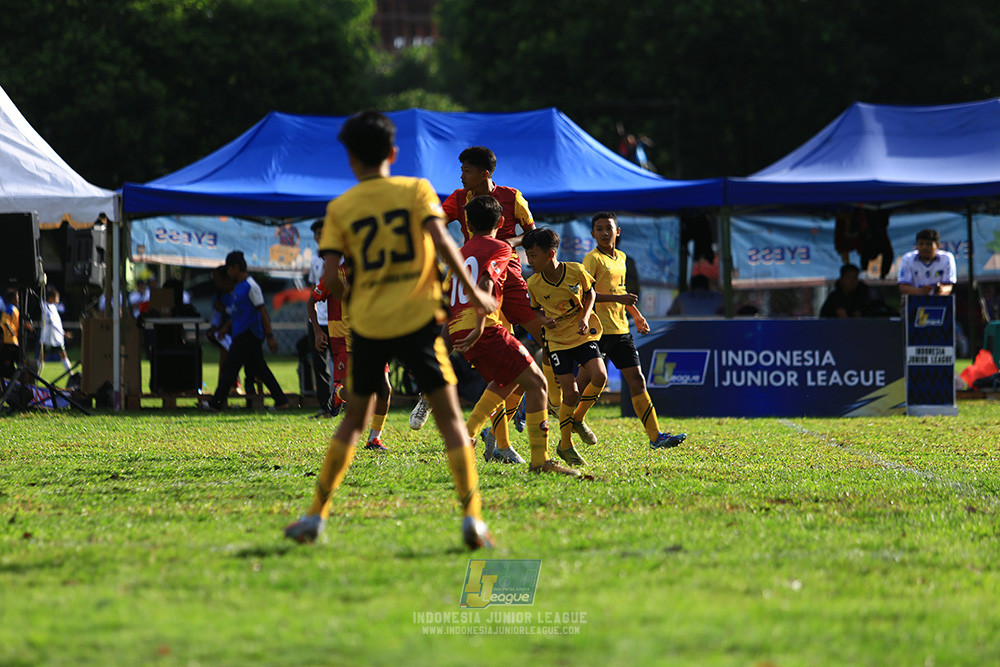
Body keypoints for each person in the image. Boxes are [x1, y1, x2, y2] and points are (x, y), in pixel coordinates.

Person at [283, 110, 498, 550]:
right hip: (419, 318)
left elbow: (330, 278)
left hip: (369, 324)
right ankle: (472, 520)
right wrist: (476, 293)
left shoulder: (341, 208)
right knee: (449, 417)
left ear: (350, 159)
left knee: (353, 420)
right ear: (393, 153)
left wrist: (358, 294)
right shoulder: (416, 190)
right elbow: (443, 243)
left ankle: (316, 517)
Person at [410, 145, 566, 440]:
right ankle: (430, 394)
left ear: (484, 173)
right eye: (461, 170)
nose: (461, 176)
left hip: (510, 276)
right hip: (475, 279)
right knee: (460, 340)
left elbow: (532, 234)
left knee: (546, 340)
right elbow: (434, 225)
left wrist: (507, 243)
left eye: (466, 171)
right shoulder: (458, 198)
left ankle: (550, 403)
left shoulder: (512, 196)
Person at [447, 195, 578, 475]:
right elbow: (486, 282)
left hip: (459, 329)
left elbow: (449, 296)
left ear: (468, 225)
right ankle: (540, 461)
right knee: (537, 383)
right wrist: (480, 327)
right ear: (502, 222)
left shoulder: (460, 253)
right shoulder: (500, 248)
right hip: (484, 329)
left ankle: (468, 435)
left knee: (505, 380)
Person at [579, 212, 687, 450]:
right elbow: (586, 295)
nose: (604, 233)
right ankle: (570, 418)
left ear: (617, 232)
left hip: (620, 330)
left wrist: (636, 315)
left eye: (608, 228)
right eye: (599, 229)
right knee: (580, 384)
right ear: (592, 234)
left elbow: (621, 292)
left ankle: (656, 437)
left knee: (637, 380)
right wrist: (619, 299)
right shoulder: (592, 259)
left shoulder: (622, 258)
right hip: (597, 331)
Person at [522, 227, 605, 468]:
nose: (529, 261)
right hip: (557, 341)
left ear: (550, 254)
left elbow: (590, 294)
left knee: (600, 376)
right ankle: (565, 444)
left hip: (582, 334)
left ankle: (578, 418)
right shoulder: (533, 283)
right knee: (571, 393)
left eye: (533, 255)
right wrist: (543, 319)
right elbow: (535, 309)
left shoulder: (576, 270)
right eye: (527, 255)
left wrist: (585, 316)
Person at [200, 250, 289, 412]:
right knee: (260, 369)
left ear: (235, 267)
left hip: (249, 334)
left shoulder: (251, 286)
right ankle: (281, 401)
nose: (228, 272)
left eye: (229, 268)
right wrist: (226, 327)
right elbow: (239, 312)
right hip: (241, 333)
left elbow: (262, 311)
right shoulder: (239, 286)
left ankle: (215, 404)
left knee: (229, 367)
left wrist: (270, 336)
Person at [306, 219, 332, 416]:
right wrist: (313, 322)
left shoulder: (341, 259)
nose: (320, 237)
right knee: (320, 365)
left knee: (345, 363)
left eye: (323, 233)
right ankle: (325, 407)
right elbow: (312, 290)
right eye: (317, 234)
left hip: (339, 320)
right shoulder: (315, 260)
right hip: (318, 320)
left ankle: (347, 404)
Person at [898, 228, 957, 296]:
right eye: (921, 244)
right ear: (916, 246)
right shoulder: (907, 258)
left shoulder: (947, 258)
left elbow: (949, 286)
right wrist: (921, 292)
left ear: (938, 245)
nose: (924, 247)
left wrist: (940, 290)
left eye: (928, 244)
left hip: (939, 301)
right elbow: (903, 287)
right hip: (915, 300)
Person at [37, 287, 73, 375]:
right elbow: (52, 323)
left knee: (63, 354)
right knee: (42, 357)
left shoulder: (53, 307)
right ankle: (36, 374)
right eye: (57, 297)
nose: (58, 300)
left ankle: (71, 374)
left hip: (56, 338)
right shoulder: (46, 307)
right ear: (51, 298)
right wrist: (63, 333)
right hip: (48, 337)